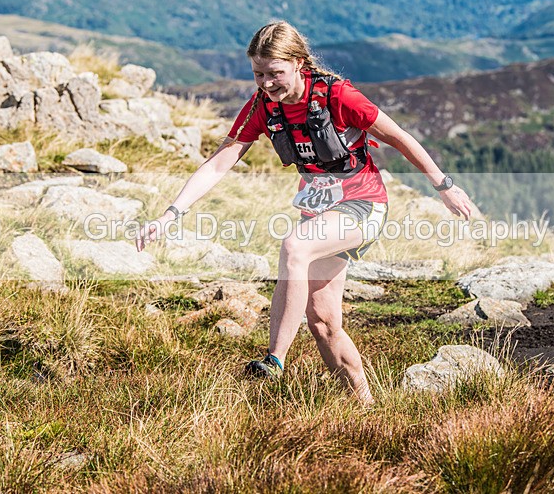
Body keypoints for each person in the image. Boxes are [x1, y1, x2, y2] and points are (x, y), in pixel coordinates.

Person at [135, 21, 474, 404]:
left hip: (364, 204)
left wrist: (444, 186)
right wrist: (170, 214)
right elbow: (219, 163)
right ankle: (366, 407)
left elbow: (399, 137)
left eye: (275, 73)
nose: (266, 83)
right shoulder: (263, 106)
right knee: (323, 322)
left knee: (295, 247)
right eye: (258, 74)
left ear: (299, 62)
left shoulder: (337, 95)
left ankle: (274, 360)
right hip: (320, 212)